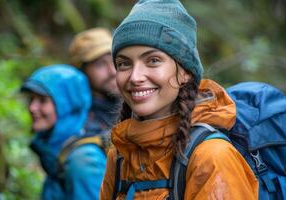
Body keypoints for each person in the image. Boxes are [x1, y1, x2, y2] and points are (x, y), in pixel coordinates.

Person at [100, 0, 259, 199]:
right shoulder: (121, 156)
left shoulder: (212, 157)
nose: (135, 77)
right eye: (124, 64)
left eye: (153, 60)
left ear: (185, 72)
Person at [21, 64, 106, 200]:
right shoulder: (59, 149)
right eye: (31, 99)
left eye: (42, 100)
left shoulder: (83, 161)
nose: (32, 107)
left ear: (66, 105)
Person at [69, 28, 120, 135]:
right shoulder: (78, 121)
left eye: (114, 60)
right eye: (100, 64)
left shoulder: (135, 104)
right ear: (82, 72)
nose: (112, 71)